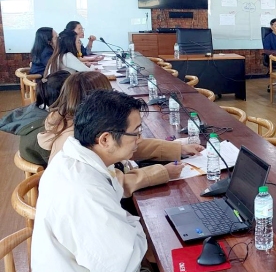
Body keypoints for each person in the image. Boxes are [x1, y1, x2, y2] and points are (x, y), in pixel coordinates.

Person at [31, 89, 180, 272]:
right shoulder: (83, 189)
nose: (139, 139)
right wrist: (136, 229)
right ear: (105, 139)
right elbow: (118, 268)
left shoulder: (77, 159)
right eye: (136, 133)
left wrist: (129, 227)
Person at [37, 71, 201, 196]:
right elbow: (115, 185)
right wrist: (163, 172)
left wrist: (177, 148)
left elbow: (129, 144)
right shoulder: (75, 137)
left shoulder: (71, 121)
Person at [0, 71, 70, 166]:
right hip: (45, 170)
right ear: (64, 98)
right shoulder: (48, 127)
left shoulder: (35, 109)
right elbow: (61, 162)